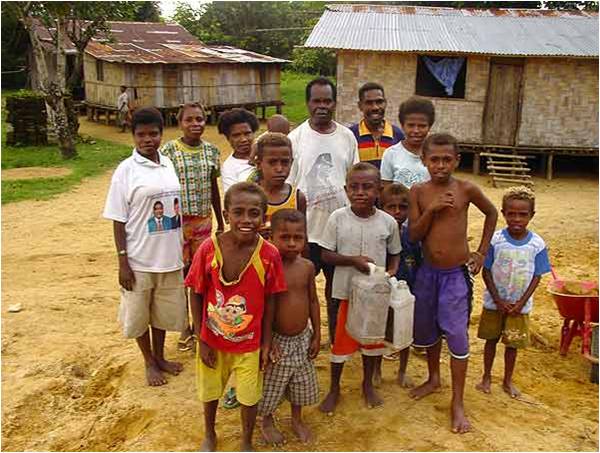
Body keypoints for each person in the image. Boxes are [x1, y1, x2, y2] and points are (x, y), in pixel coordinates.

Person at [185, 182, 287, 451]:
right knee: (209, 392)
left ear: (263, 216)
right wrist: (201, 338)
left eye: (253, 213)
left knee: (249, 396)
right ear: (226, 213)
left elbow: (271, 301)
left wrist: (266, 342)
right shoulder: (208, 249)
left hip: (249, 344)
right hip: (212, 340)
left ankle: (245, 440)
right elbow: (195, 293)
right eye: (238, 212)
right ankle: (209, 432)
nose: (245, 220)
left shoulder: (269, 254)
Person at [408, 133, 498, 434]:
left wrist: (482, 251)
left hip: (455, 277)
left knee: (457, 335)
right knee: (428, 328)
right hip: (427, 274)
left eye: (447, 159)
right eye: (435, 159)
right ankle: (434, 377)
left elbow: (491, 212)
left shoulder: (466, 189)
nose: (441, 165)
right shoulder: (418, 191)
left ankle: (457, 402)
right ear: (424, 161)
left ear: (457, 160)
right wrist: (432, 209)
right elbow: (414, 236)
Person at [103, 107, 186, 386]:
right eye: (141, 135)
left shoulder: (168, 164)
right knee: (139, 315)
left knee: (162, 313)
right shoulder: (125, 171)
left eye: (153, 133)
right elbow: (118, 218)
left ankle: (161, 356)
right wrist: (122, 261)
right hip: (139, 259)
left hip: (170, 256)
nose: (148, 139)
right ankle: (148, 362)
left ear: (162, 134)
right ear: (133, 136)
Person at [317, 162, 401, 414]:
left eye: (367, 187)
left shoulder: (388, 222)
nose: (360, 192)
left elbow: (395, 252)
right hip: (344, 293)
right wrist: (352, 260)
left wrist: (392, 270)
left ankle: (367, 384)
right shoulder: (337, 218)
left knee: (371, 342)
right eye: (354, 187)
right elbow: (325, 255)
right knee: (340, 343)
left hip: (374, 295)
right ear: (346, 190)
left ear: (379, 190)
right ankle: (335, 388)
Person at [288, 77, 359, 347]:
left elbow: (354, 179)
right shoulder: (295, 139)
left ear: (335, 103)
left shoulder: (346, 137)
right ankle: (302, 337)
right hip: (305, 232)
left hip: (338, 231)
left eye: (327, 101)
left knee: (336, 289)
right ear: (308, 103)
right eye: (316, 101)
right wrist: (297, 233)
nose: (322, 106)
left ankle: (334, 339)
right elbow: (289, 186)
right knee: (301, 288)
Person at [160, 102, 225, 351]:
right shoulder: (169, 152)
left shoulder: (211, 151)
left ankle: (201, 327)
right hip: (177, 224)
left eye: (200, 119)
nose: (195, 124)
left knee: (200, 276)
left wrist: (220, 220)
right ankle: (184, 328)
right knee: (180, 274)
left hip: (202, 222)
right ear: (180, 123)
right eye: (190, 120)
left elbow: (213, 189)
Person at [476, 186, 550, 398]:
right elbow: (487, 271)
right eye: (511, 214)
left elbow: (537, 276)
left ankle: (507, 381)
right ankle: (486, 377)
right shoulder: (496, 240)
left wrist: (520, 303)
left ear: (531, 215)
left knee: (512, 344)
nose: (516, 219)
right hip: (494, 304)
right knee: (490, 340)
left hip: (520, 306)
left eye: (522, 214)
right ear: (503, 213)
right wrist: (498, 300)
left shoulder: (537, 244)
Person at [258, 209, 320, 445]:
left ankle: (296, 419)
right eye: (285, 237)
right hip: (277, 340)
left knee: (300, 382)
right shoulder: (268, 268)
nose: (292, 243)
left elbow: (313, 300)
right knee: (271, 385)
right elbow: (265, 307)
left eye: (298, 237)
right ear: (271, 237)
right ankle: (266, 420)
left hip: (303, 337)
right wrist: (268, 340)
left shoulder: (307, 267)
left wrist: (317, 334)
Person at [380, 183, 423, 386]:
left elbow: (420, 264)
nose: (397, 212)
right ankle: (376, 370)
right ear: (382, 208)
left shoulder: (412, 237)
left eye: (403, 207)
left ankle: (402, 371)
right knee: (379, 329)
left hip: (407, 293)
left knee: (406, 330)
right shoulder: (379, 235)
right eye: (391, 207)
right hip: (381, 292)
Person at [254, 132, 306, 240]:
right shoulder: (249, 197)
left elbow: (302, 239)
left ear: (291, 162)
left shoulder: (297, 198)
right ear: (259, 164)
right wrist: (254, 235)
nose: (279, 168)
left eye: (285, 162)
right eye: (272, 162)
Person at [381, 96, 435, 188]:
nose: (416, 130)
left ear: (429, 126)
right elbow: (386, 190)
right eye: (411, 125)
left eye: (422, 126)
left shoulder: (436, 154)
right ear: (402, 125)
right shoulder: (391, 154)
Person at [349, 82, 404, 168]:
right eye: (369, 103)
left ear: (385, 103)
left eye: (379, 102)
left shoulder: (398, 135)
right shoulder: (351, 135)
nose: (375, 107)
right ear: (360, 106)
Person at [219, 108, 260, 193]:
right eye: (236, 135)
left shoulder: (266, 150)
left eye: (247, 133)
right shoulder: (229, 168)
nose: (243, 139)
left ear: (253, 133)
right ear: (228, 138)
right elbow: (234, 198)